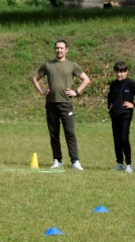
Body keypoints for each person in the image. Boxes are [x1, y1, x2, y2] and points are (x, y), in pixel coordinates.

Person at [31, 39, 91, 170]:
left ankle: (75, 161)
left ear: (66, 50)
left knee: (70, 133)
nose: (59, 50)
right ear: (55, 49)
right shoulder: (48, 65)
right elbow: (34, 78)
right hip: (51, 104)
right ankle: (57, 160)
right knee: (54, 133)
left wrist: (76, 92)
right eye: (57, 48)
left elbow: (86, 80)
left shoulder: (72, 65)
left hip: (66, 104)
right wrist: (41, 91)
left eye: (61, 48)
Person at [107, 61, 135, 173]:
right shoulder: (113, 84)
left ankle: (128, 164)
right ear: (114, 72)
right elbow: (110, 96)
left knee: (124, 138)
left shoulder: (130, 83)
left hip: (125, 115)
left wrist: (134, 104)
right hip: (114, 115)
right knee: (117, 139)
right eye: (117, 72)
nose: (119, 74)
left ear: (126, 72)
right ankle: (120, 163)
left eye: (122, 72)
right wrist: (110, 105)